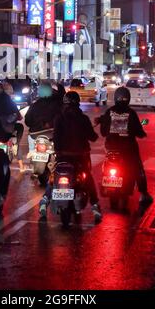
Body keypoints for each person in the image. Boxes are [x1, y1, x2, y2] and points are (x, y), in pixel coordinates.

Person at [39, 91, 102, 223]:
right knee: (88, 178)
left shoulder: (59, 118)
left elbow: (55, 137)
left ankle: (45, 200)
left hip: (62, 157)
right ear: (77, 103)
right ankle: (95, 205)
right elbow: (92, 137)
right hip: (80, 156)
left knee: (53, 178)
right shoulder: (83, 118)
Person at [95, 86, 153, 205]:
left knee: (108, 163)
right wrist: (142, 133)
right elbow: (138, 130)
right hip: (128, 148)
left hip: (111, 147)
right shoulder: (131, 113)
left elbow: (103, 132)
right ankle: (143, 193)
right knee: (138, 168)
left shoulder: (109, 112)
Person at [0, 79, 25, 172]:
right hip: (8, 130)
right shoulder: (9, 100)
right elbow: (19, 117)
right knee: (18, 133)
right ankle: (21, 165)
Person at [25, 82, 61, 155]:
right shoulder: (57, 104)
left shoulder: (34, 105)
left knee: (30, 136)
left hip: (35, 133)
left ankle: (31, 152)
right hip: (51, 132)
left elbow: (27, 121)